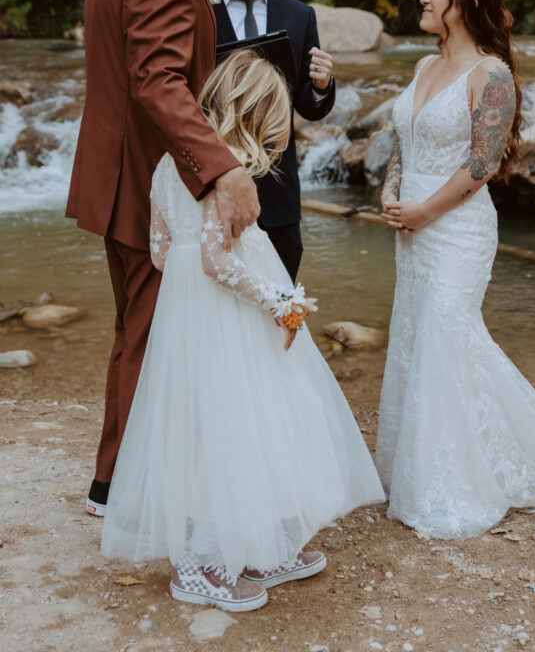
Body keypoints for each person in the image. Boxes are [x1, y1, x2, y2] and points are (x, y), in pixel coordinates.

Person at [100, 50, 385, 611]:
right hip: (226, 314)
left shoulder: (167, 162)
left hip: (190, 315)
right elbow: (216, 261)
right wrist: (279, 302)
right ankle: (202, 566)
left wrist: (189, 290)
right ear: (256, 117)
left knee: (230, 424)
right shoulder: (220, 165)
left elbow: (162, 253)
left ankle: (255, 542)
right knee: (236, 425)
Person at [66, 0, 260, 518]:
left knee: (137, 331)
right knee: (151, 334)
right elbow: (157, 84)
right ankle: (131, 491)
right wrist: (221, 169)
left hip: (116, 176)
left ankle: (111, 482)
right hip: (147, 188)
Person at [376, 0, 535, 539]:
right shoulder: (425, 64)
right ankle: (418, 468)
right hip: (413, 229)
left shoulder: (490, 74)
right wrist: (393, 190)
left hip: (456, 229)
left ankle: (460, 480)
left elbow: (484, 163)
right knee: (418, 336)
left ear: (466, 3)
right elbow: (406, 138)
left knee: (448, 333)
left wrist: (425, 209)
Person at [205, 0, 335, 281]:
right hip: (211, 191)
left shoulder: (299, 15)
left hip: (278, 196)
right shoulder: (193, 9)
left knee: (279, 310)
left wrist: (322, 86)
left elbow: (308, 109)